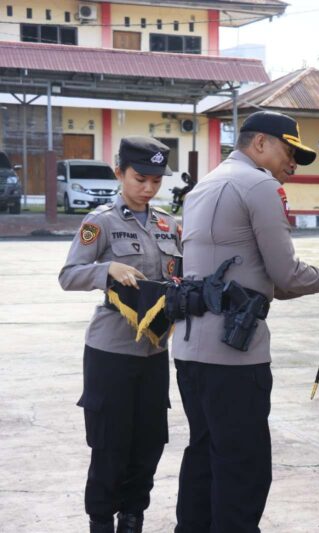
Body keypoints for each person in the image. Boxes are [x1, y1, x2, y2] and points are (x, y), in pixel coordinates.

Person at [171, 111, 319, 533]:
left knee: (203, 458)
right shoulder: (260, 185)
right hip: (234, 356)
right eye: (289, 151)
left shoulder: (203, 185)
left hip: (189, 350)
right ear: (259, 143)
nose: (292, 164)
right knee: (243, 470)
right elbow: (285, 273)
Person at [59, 137, 181, 533]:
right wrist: (107, 268)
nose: (148, 188)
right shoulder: (101, 223)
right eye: (139, 178)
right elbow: (68, 275)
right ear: (120, 173)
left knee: (148, 441)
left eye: (156, 181)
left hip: (154, 348)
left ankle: (133, 516)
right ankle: (100, 519)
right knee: (111, 442)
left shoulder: (168, 224)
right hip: (110, 348)